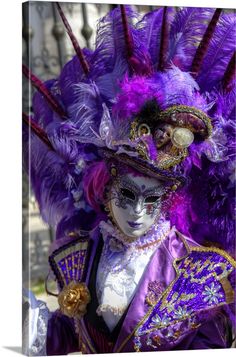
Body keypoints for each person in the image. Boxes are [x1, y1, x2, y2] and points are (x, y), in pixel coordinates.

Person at [22, 3, 236, 355]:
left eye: (152, 199)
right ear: (106, 192)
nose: (138, 211)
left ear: (168, 201)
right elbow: (63, 336)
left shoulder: (198, 274)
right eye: (127, 195)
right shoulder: (83, 255)